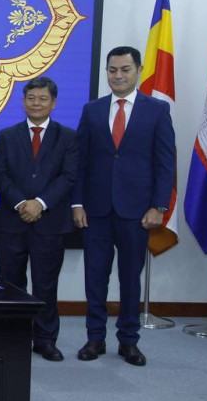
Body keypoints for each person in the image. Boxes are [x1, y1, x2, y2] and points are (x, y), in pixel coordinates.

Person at [72, 46, 175, 367]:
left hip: (137, 212)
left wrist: (159, 206)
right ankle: (95, 338)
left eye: (125, 69)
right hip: (96, 210)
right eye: (112, 69)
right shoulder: (92, 110)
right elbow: (80, 161)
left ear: (139, 71)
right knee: (95, 278)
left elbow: (165, 163)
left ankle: (129, 341)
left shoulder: (157, 110)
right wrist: (77, 202)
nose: (118, 75)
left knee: (130, 279)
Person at [0, 77, 77, 362]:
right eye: (31, 98)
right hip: (11, 222)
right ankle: (13, 338)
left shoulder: (68, 137)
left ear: (53, 103)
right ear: (23, 101)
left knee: (46, 285)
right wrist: (21, 203)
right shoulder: (7, 135)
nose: (36, 103)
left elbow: (69, 176)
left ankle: (45, 339)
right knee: (11, 285)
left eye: (42, 99)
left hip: (50, 224)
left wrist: (40, 203)